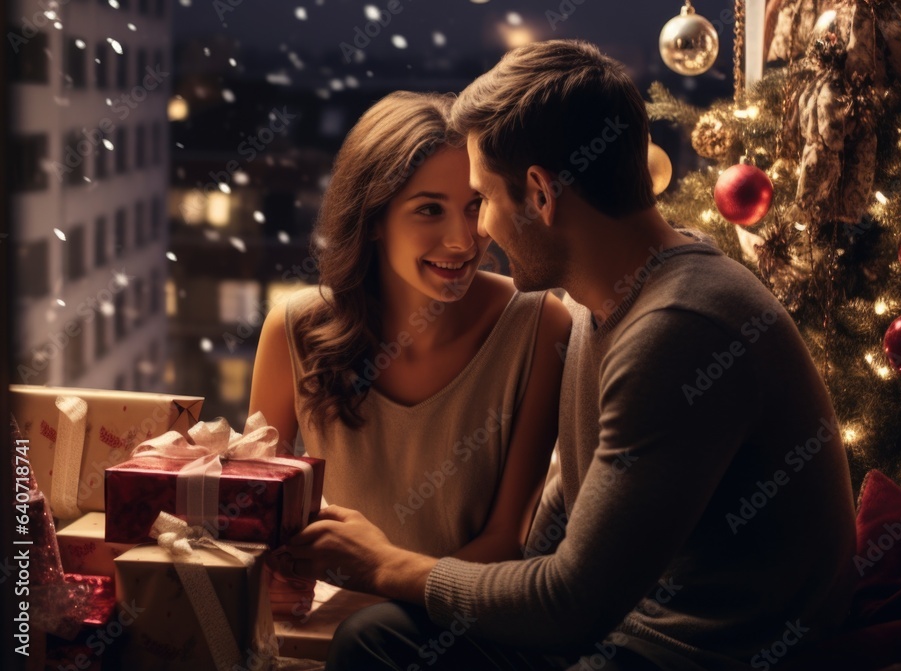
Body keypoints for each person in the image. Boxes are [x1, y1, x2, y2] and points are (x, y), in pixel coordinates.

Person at [277, 41, 859, 670]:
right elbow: (547, 551)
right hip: (619, 631)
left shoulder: (682, 328)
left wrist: (388, 564)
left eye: (483, 202)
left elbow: (570, 602)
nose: (477, 235)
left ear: (541, 194)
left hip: (699, 652)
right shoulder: (596, 307)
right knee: (378, 637)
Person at [249, 91, 571, 613]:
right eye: (429, 210)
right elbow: (254, 519)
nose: (463, 241)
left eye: (474, 207)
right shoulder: (293, 328)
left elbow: (506, 543)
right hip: (319, 629)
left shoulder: (538, 325)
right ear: (373, 218)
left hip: (458, 634)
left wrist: (379, 597)